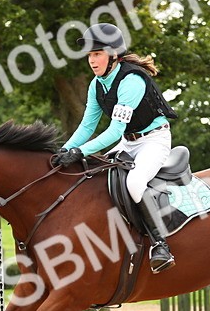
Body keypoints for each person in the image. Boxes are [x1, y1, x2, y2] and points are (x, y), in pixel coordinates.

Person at [53, 23, 180, 273]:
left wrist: (79, 152)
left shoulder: (131, 80)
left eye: (97, 53)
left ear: (113, 55)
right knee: (95, 176)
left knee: (134, 183)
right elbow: (87, 126)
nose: (92, 60)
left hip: (153, 141)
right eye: (90, 55)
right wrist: (63, 150)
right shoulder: (96, 84)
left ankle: (160, 245)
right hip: (128, 142)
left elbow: (113, 131)